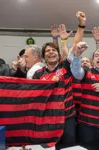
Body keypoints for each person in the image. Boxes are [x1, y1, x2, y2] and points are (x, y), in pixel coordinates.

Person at [33, 11, 86, 148]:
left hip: (67, 117)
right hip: (47, 118)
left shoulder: (65, 69)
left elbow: (75, 47)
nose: (51, 52)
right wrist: (45, 85)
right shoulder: (38, 74)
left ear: (58, 55)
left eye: (53, 51)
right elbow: (34, 96)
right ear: (43, 57)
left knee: (68, 147)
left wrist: (81, 25)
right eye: (47, 51)